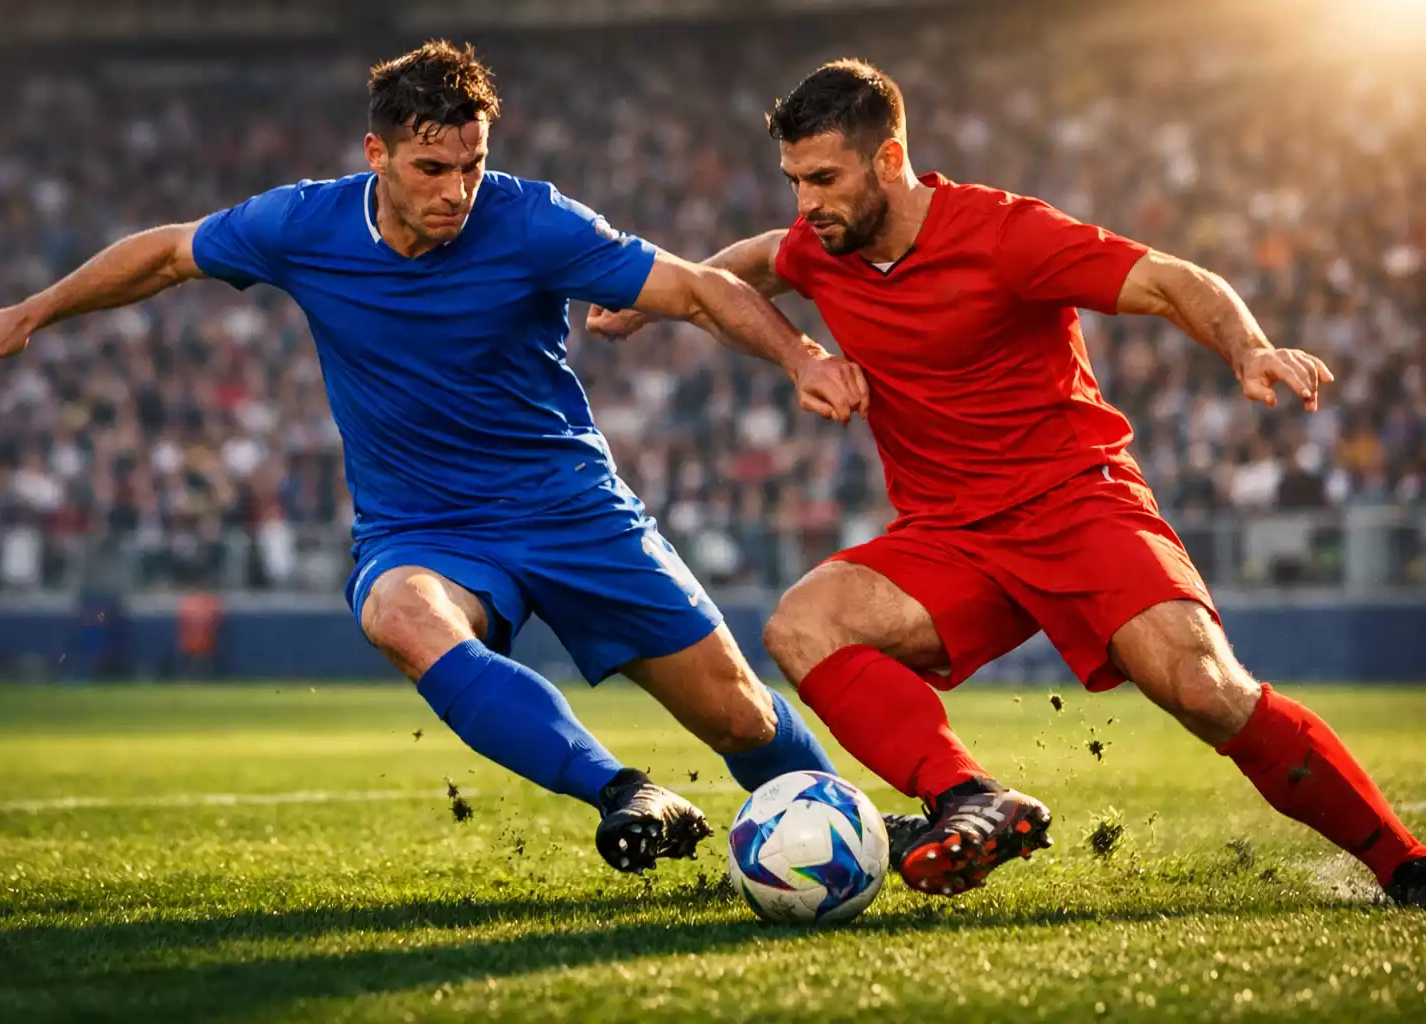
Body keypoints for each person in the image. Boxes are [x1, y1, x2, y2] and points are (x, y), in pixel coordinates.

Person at [0, 42, 886, 875]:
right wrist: (28, 314)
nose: (455, 191)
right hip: (426, 527)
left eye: (471, 166)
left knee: (736, 717)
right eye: (432, 166)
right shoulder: (302, 225)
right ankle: (625, 793)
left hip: (572, 509)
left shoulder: (533, 221)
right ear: (376, 155)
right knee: (398, 613)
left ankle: (842, 823)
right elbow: (166, 255)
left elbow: (692, 288)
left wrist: (798, 354)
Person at [589, 59, 1426, 905]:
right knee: (805, 625)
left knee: (1204, 690)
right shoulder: (822, 243)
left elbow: (1175, 281)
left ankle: (1402, 861)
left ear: (889, 161)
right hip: (951, 537)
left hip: (1078, 503)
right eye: (795, 181)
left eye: (823, 179)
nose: (806, 203)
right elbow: (756, 262)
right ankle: (973, 801)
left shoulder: (1004, 232)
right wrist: (654, 296)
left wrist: (1249, 347)